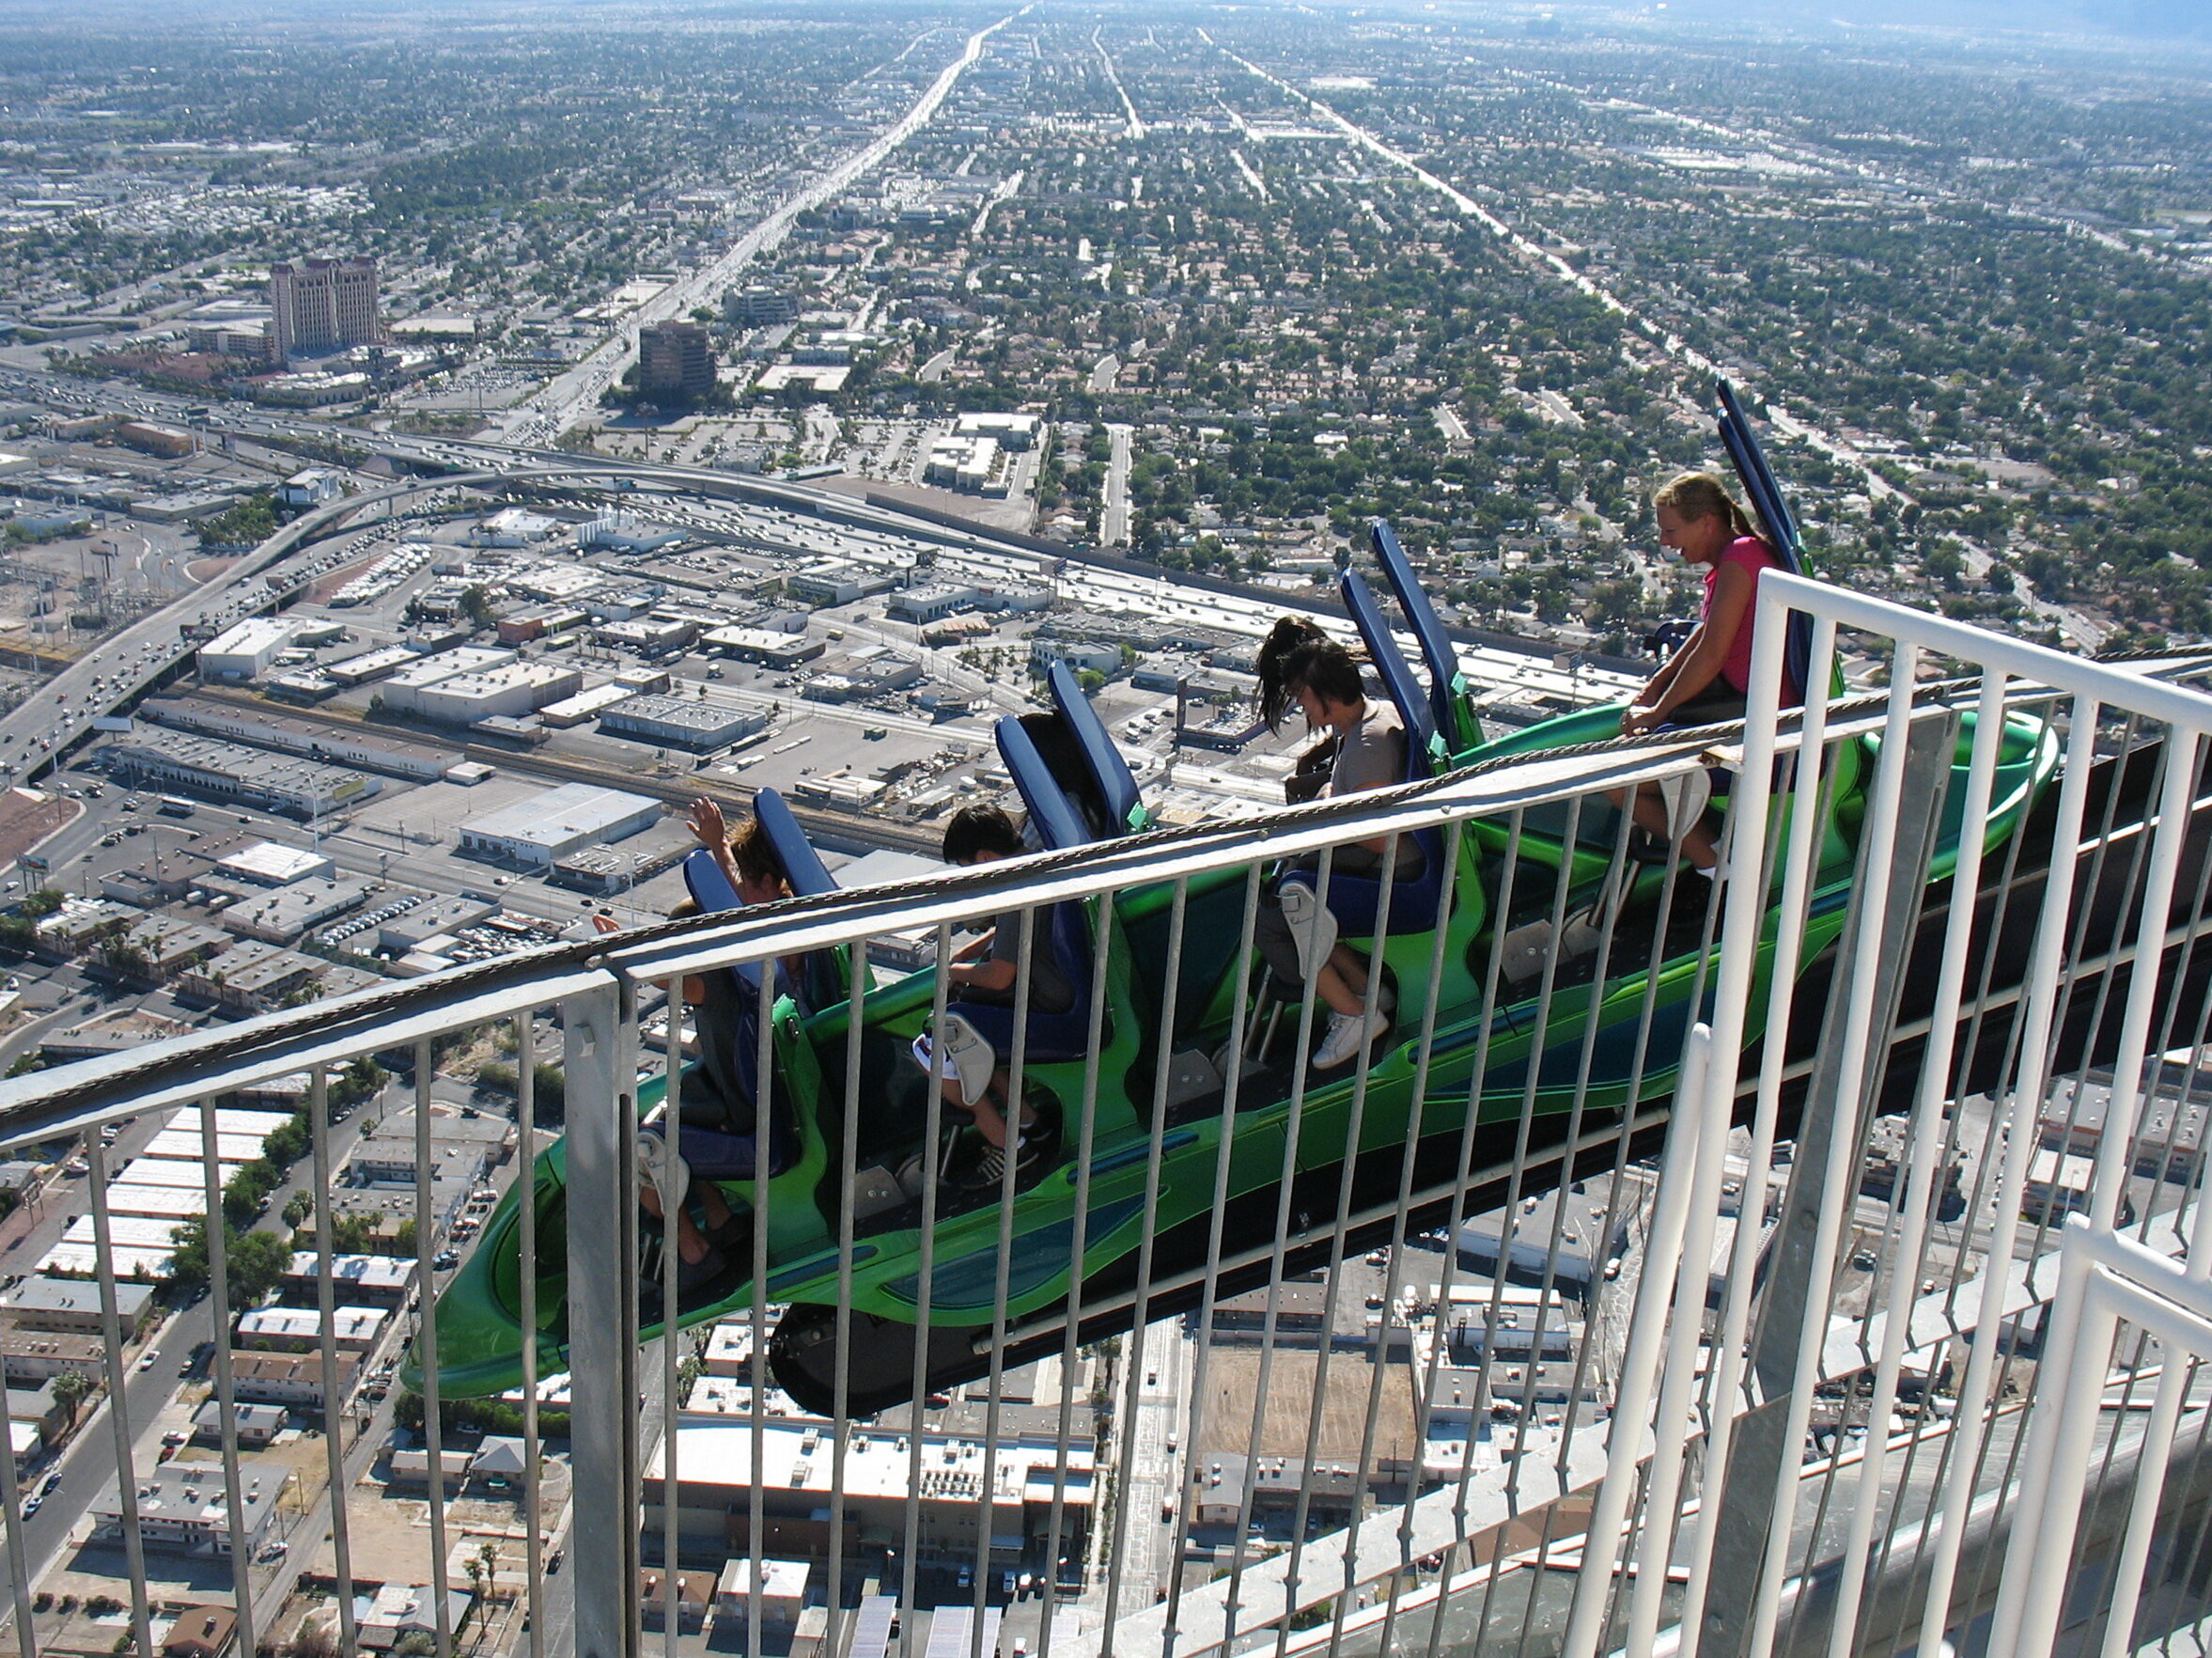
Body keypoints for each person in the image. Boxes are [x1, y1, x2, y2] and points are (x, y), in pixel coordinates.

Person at [1252, 638, 1420, 1069]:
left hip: (1389, 868)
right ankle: (1365, 988)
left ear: (1327, 695)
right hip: (1380, 859)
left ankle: (1353, 1013)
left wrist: (1324, 820)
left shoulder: (1367, 747)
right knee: (1290, 885)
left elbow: (1376, 839)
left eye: (1305, 699)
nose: (1304, 711)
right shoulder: (1365, 721)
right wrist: (1330, 799)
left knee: (1275, 914)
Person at [1614, 473, 1794, 874]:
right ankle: (1715, 855)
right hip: (1740, 706)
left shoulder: (1742, 558)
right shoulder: (1735, 559)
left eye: (1671, 530)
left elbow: (1712, 653)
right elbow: (1701, 639)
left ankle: (1718, 872)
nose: (1665, 541)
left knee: (1618, 783)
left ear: (1707, 523)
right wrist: (1651, 694)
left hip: (1761, 721)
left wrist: (1658, 713)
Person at [917, 804, 1070, 1188]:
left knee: (932, 1050)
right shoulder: (1033, 863)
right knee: (975, 1024)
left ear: (985, 858)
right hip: (1056, 983)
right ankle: (1029, 1122)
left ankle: (1009, 1145)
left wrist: (946, 971)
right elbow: (1012, 930)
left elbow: (1001, 976)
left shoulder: (1017, 888)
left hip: (1046, 1000)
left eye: (969, 868)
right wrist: (968, 954)